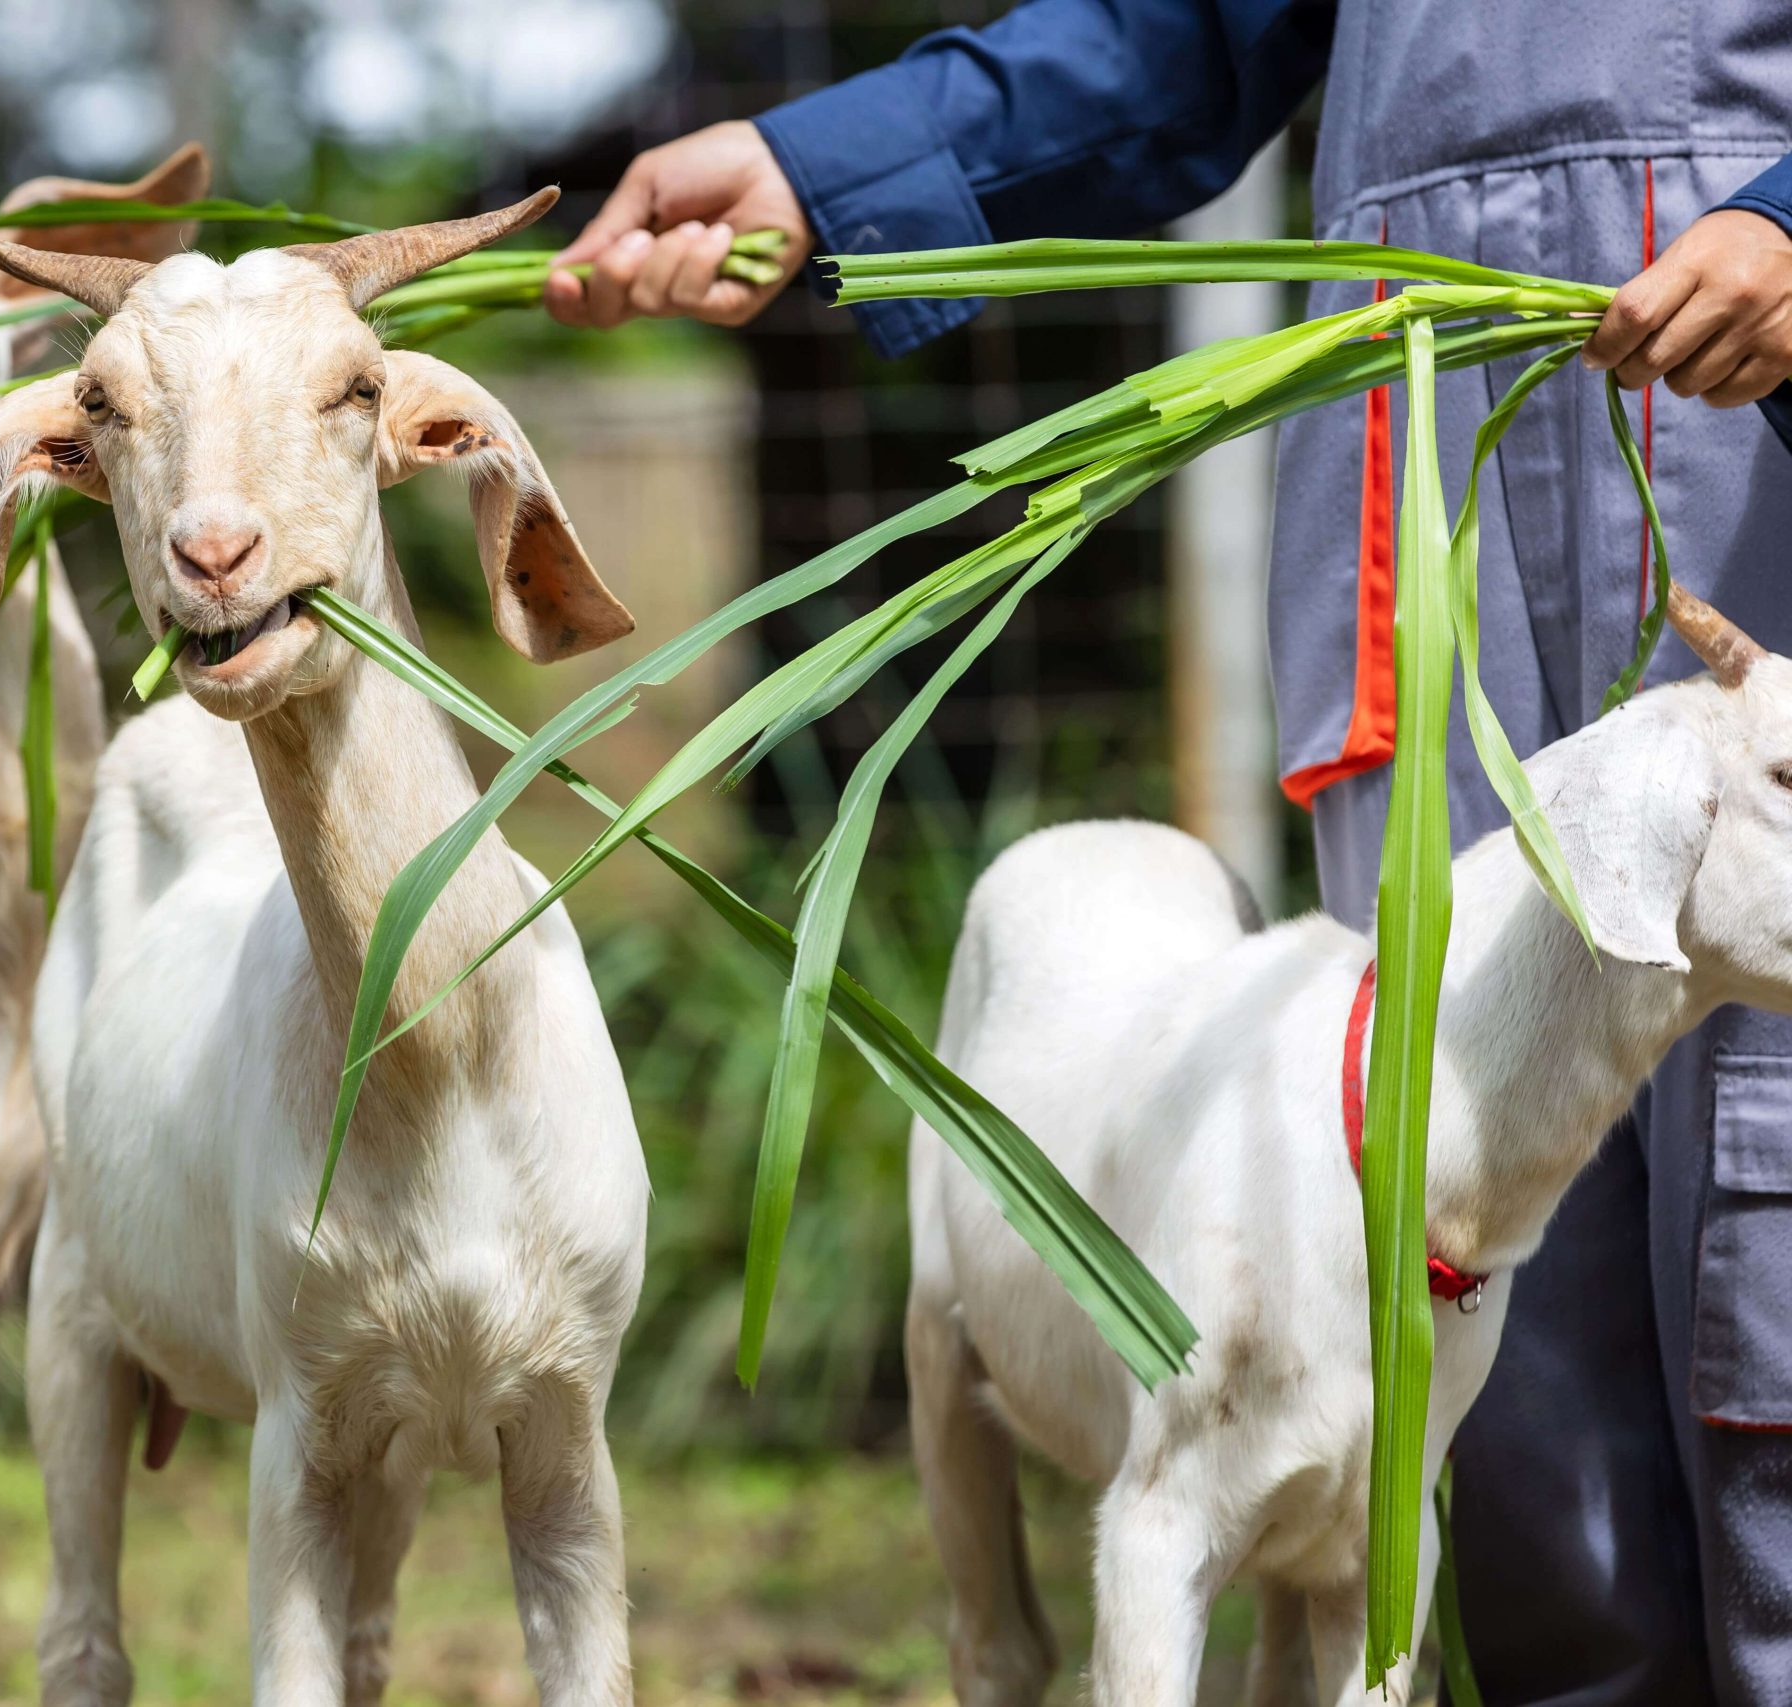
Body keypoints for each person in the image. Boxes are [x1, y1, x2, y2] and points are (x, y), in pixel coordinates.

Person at [547, 7, 1792, 1705]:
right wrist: (824, 170)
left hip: (1758, 450)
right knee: (1463, 1239)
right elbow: (1187, 28)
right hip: (1418, 436)